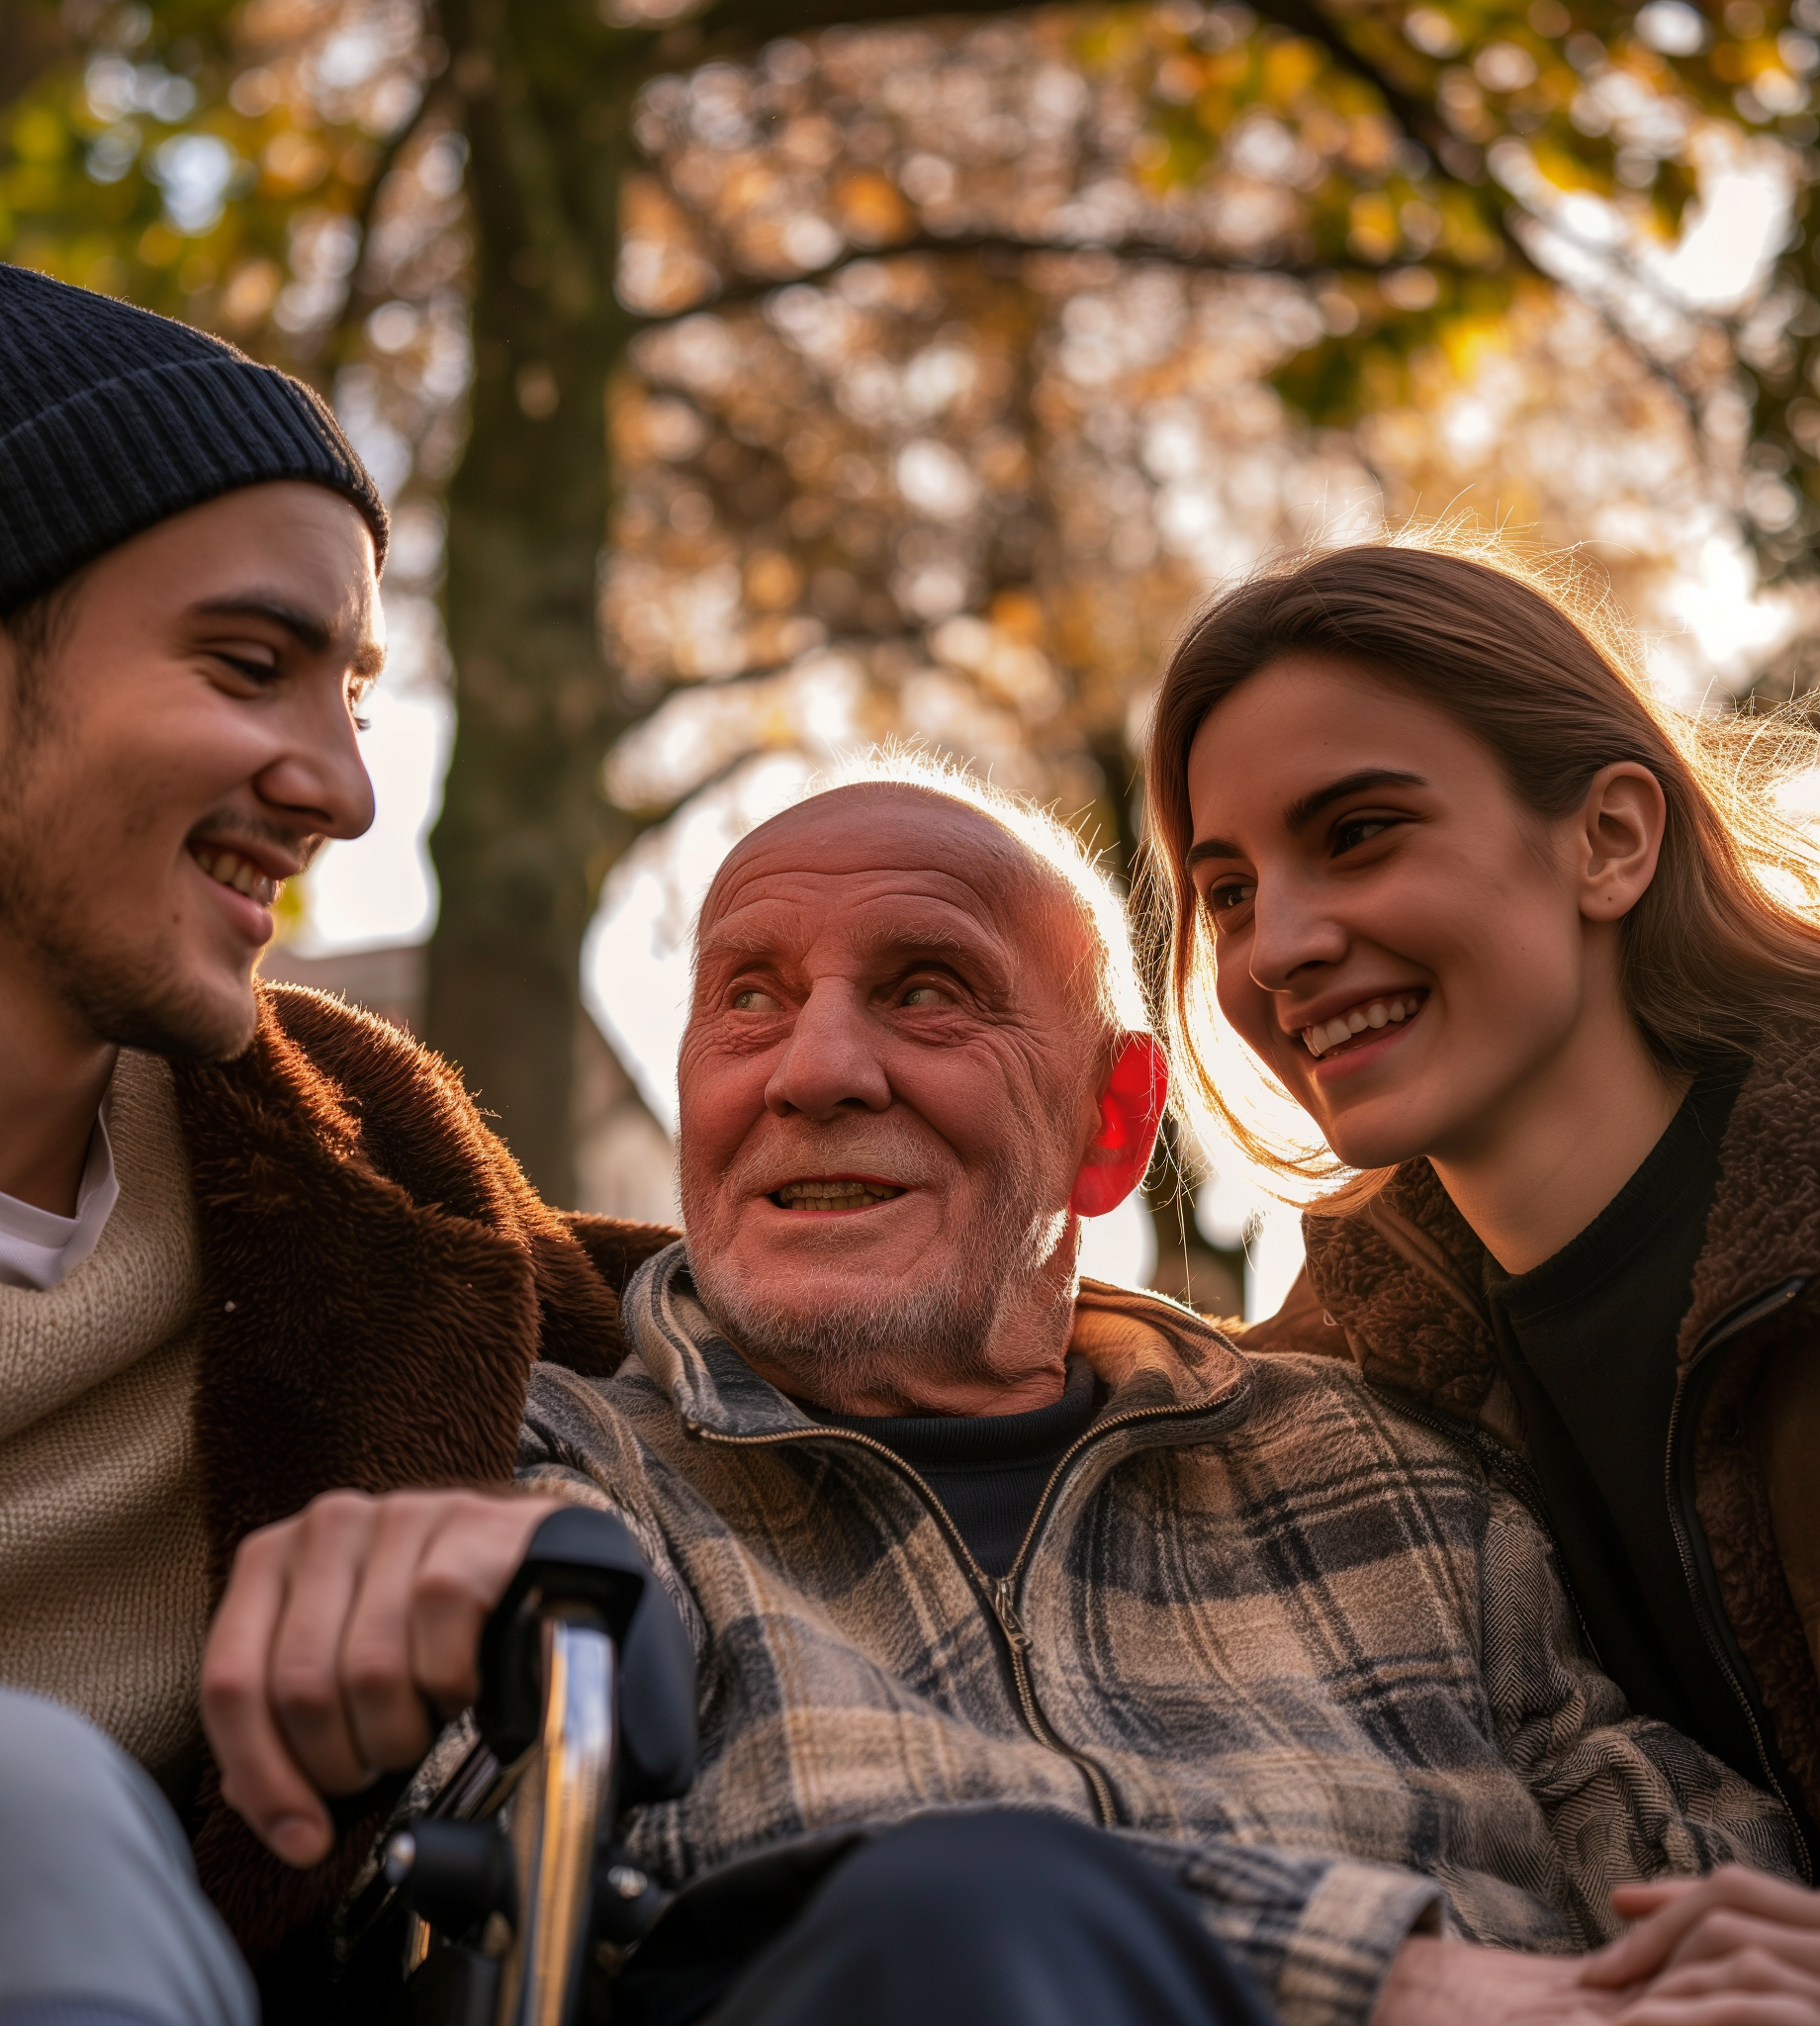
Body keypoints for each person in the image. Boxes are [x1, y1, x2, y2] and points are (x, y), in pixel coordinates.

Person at [206, 765, 1816, 2026]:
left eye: (927, 990)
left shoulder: (1394, 1478)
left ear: (1115, 1126)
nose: (814, 1069)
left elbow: (1694, 1889)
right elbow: (536, 1901)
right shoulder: (555, 1475)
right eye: (747, 996)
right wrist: (1392, 1979)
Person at [0, 260, 643, 2026]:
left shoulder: (371, 1173)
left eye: (348, 691)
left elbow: (750, 1348)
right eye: (251, 664)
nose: (343, 786)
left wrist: (570, 1538)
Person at [1141, 541, 1820, 1865]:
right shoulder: (1346, 1368)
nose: (1277, 946)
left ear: (1609, 840)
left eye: (1358, 834)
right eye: (1231, 894)